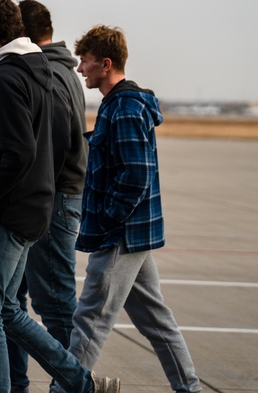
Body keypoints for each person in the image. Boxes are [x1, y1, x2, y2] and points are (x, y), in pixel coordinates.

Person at [0, 0, 118, 393]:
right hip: (37, 207)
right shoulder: (42, 69)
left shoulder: (6, 76)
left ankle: (53, 385)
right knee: (10, 310)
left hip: (13, 213)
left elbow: (21, 152)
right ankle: (80, 383)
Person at [66, 25, 202, 392]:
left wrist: (109, 217)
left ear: (105, 64)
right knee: (157, 321)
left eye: (86, 62)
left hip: (121, 234)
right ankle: (190, 388)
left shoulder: (125, 107)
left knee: (91, 318)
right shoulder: (121, 104)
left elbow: (136, 174)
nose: (80, 69)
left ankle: (63, 389)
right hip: (134, 232)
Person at [4, 0, 88, 393]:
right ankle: (11, 384)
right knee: (11, 300)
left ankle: (74, 384)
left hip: (52, 203)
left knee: (54, 305)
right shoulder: (63, 70)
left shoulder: (50, 75)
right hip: (54, 200)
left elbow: (51, 150)